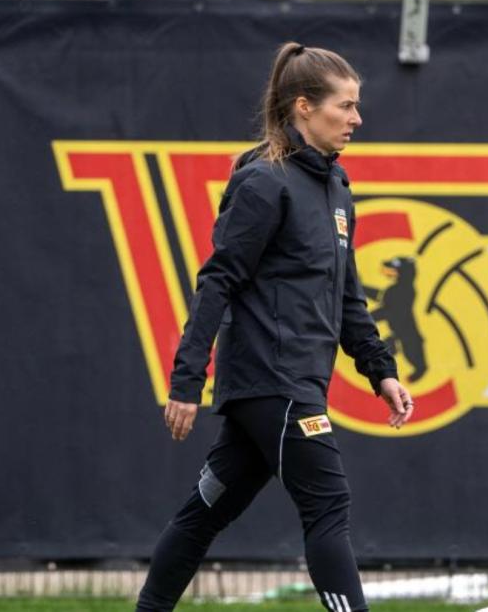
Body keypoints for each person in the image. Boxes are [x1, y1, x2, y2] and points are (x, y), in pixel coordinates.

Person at [135, 42, 413, 612]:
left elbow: (348, 296)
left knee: (204, 511)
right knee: (328, 505)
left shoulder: (337, 188)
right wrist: (187, 382)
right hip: (274, 384)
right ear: (305, 107)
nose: (358, 119)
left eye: (358, 107)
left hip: (288, 387)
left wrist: (380, 371)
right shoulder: (264, 182)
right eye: (347, 106)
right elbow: (218, 282)